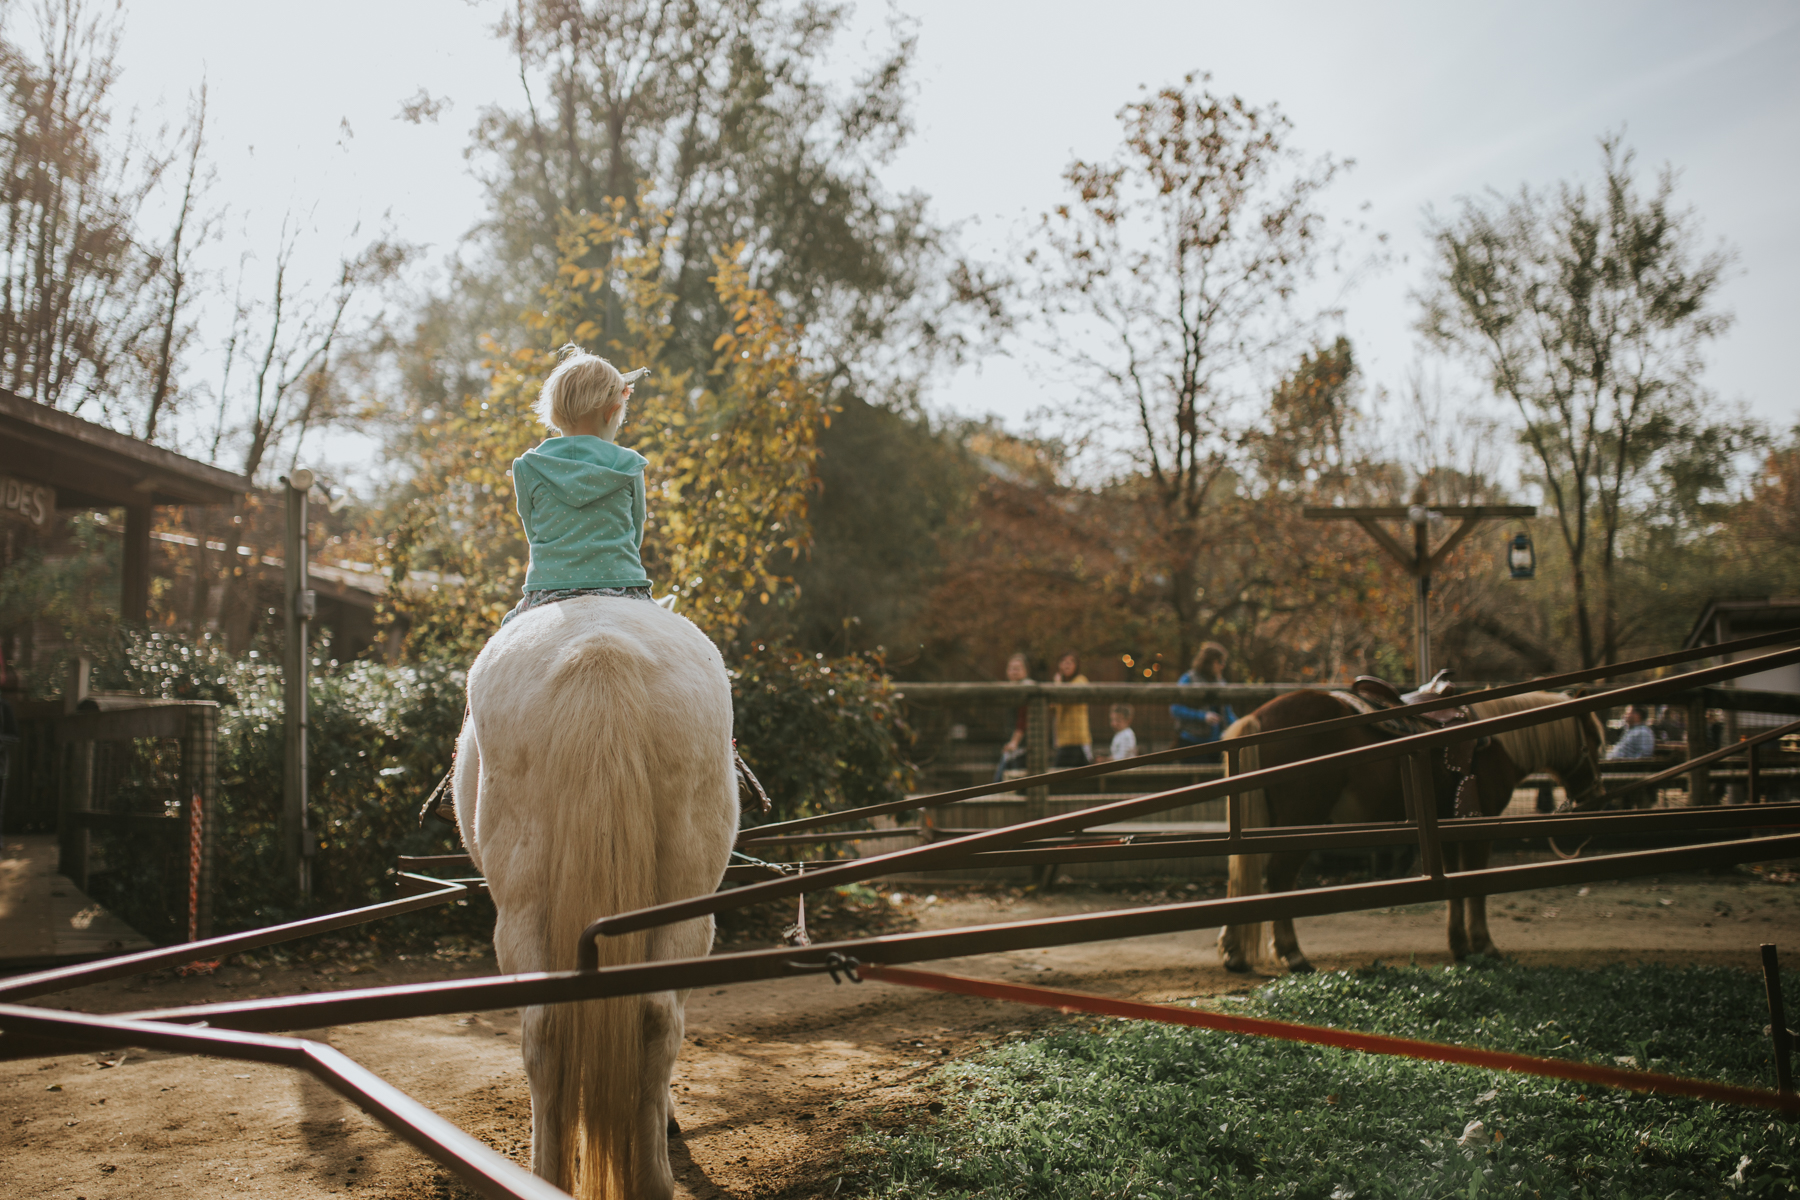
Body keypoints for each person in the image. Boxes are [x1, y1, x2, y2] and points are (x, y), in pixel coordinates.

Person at [501, 346, 654, 627]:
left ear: (555, 414)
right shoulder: (630, 465)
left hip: (549, 590)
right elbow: (635, 533)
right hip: (623, 586)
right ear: (612, 413)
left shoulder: (528, 466)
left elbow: (534, 532)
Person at [1171, 642, 1236, 754]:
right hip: (1192, 741)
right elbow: (1176, 709)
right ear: (1209, 662)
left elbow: (1227, 712)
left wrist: (1238, 726)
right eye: (1220, 662)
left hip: (1217, 742)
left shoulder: (1220, 682)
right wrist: (1203, 716)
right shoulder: (1188, 679)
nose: (1223, 666)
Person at [992, 652, 1033, 782]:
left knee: (1001, 779)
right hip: (1013, 744)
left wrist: (1014, 742)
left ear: (1025, 671)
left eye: (1017, 668)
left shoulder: (1026, 688)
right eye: (1011, 668)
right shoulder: (1011, 690)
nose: (1014, 672)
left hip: (1025, 746)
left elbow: (1023, 719)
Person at [1050, 652, 1092, 768]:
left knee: (1058, 775)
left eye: (1070, 662)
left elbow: (1067, 697)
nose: (1066, 665)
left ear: (1076, 665)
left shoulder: (1080, 680)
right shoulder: (1060, 684)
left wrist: (1057, 685)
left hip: (1077, 740)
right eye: (1063, 661)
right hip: (1063, 740)